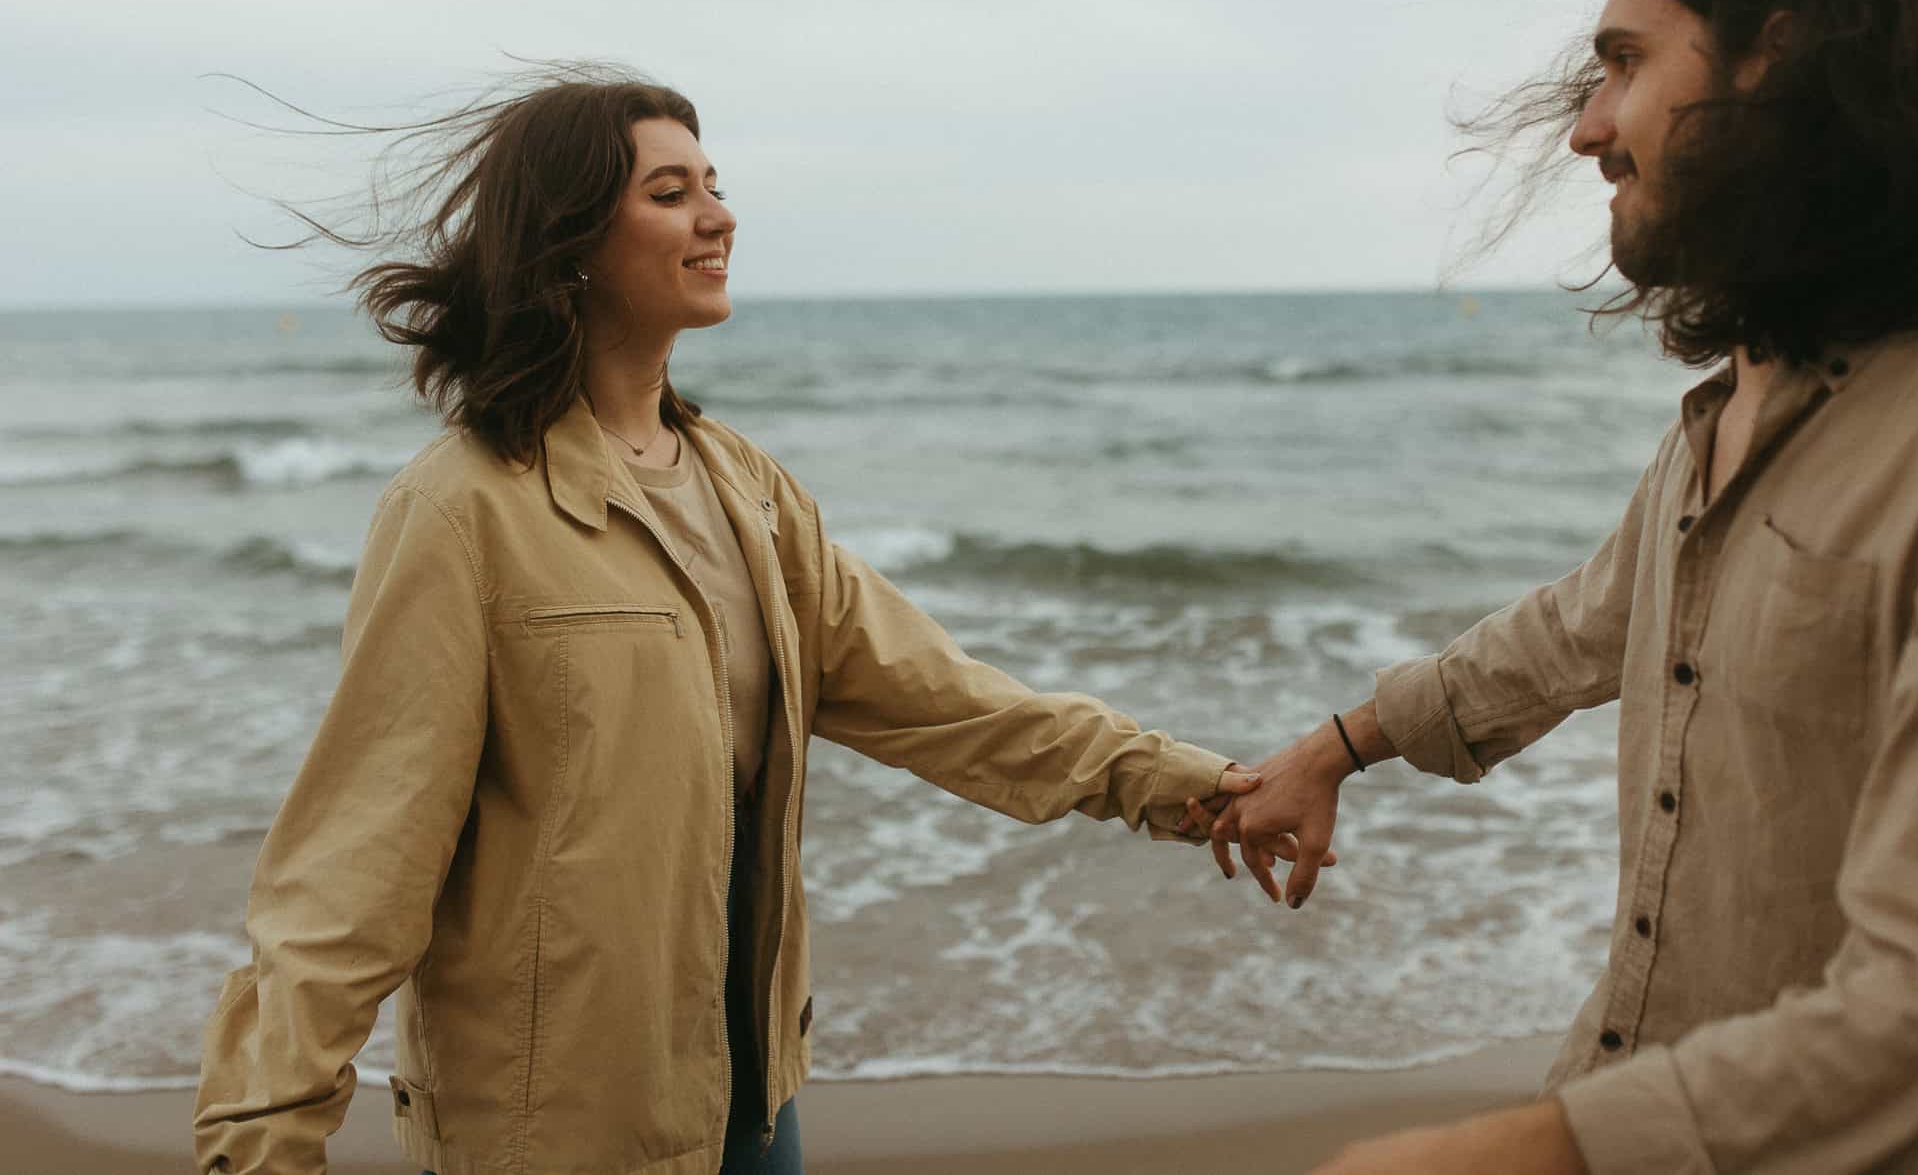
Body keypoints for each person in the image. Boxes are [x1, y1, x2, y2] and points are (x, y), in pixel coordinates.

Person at [190, 70, 1286, 1175]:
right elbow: (356, 860)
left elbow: (940, 698)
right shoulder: (464, 510)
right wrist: (261, 1140)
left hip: (751, 1095)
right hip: (554, 1125)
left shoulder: (745, 491)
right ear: (568, 239)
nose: (718, 215)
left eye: (711, 185)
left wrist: (1182, 783)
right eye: (670, 193)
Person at [1189, 0, 1918, 1170]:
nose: (1588, 126)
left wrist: (1507, 1154)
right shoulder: (1732, 410)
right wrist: (1335, 746)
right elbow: (1578, 629)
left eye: (1626, 64)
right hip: (1619, 1070)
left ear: (1781, 53)